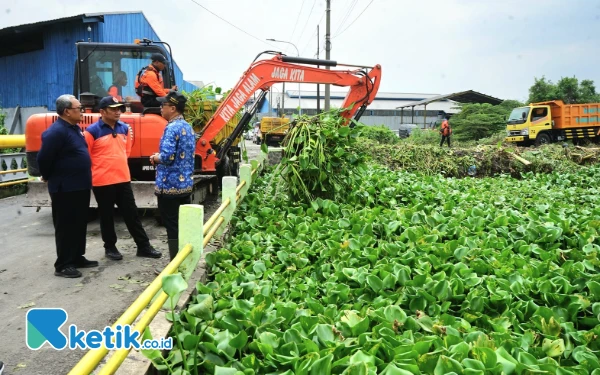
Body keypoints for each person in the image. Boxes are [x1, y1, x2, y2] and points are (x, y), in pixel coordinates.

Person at [84, 96, 162, 260]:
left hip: (123, 179)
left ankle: (143, 246)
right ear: (103, 111)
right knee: (106, 216)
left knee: (132, 214)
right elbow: (86, 156)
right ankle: (110, 247)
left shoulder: (125, 128)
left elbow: (126, 152)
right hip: (102, 181)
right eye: (113, 109)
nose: (117, 112)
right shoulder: (91, 131)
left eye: (119, 108)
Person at [37, 94, 97, 278]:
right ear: (67, 111)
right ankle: (63, 264)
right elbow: (43, 158)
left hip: (79, 185)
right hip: (65, 188)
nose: (82, 111)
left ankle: (77, 256)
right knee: (65, 226)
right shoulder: (56, 132)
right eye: (78, 108)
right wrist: (47, 176)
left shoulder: (74, 129)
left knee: (79, 223)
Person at [149, 90, 195, 261]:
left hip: (169, 186)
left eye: (164, 105)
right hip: (185, 185)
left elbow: (167, 157)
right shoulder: (187, 127)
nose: (161, 108)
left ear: (173, 108)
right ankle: (184, 258)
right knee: (182, 224)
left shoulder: (171, 128)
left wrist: (155, 157)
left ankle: (175, 262)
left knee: (172, 225)